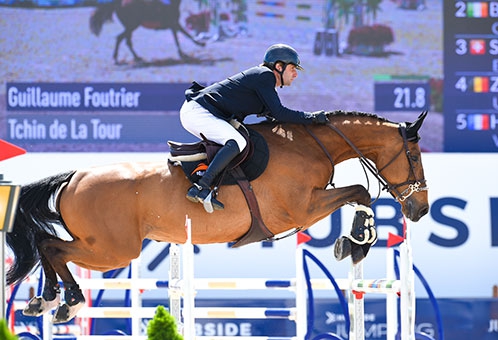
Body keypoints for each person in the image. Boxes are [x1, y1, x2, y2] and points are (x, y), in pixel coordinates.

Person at [179, 43, 329, 212]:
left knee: (239, 140)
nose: (295, 74)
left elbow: (274, 116)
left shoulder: (263, 80)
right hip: (198, 112)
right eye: (292, 68)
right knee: (237, 141)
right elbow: (280, 113)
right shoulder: (265, 75)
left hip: (200, 111)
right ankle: (201, 187)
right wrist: (312, 118)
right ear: (279, 67)